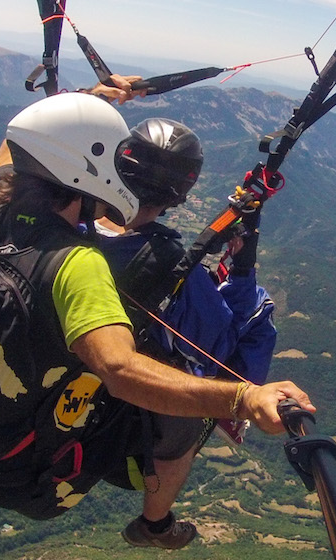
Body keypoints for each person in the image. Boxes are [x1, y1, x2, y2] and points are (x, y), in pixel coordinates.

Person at [0, 92, 313, 549]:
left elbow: (15, 147)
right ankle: (155, 524)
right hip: (67, 403)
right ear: (181, 194)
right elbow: (213, 346)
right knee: (191, 417)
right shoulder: (141, 263)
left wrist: (85, 99)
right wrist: (242, 394)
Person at [93, 117, 277, 445]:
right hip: (147, 350)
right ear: (179, 194)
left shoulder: (73, 222)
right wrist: (243, 271)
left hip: (97, 326)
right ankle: (229, 412)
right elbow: (219, 339)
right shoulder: (161, 255)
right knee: (258, 308)